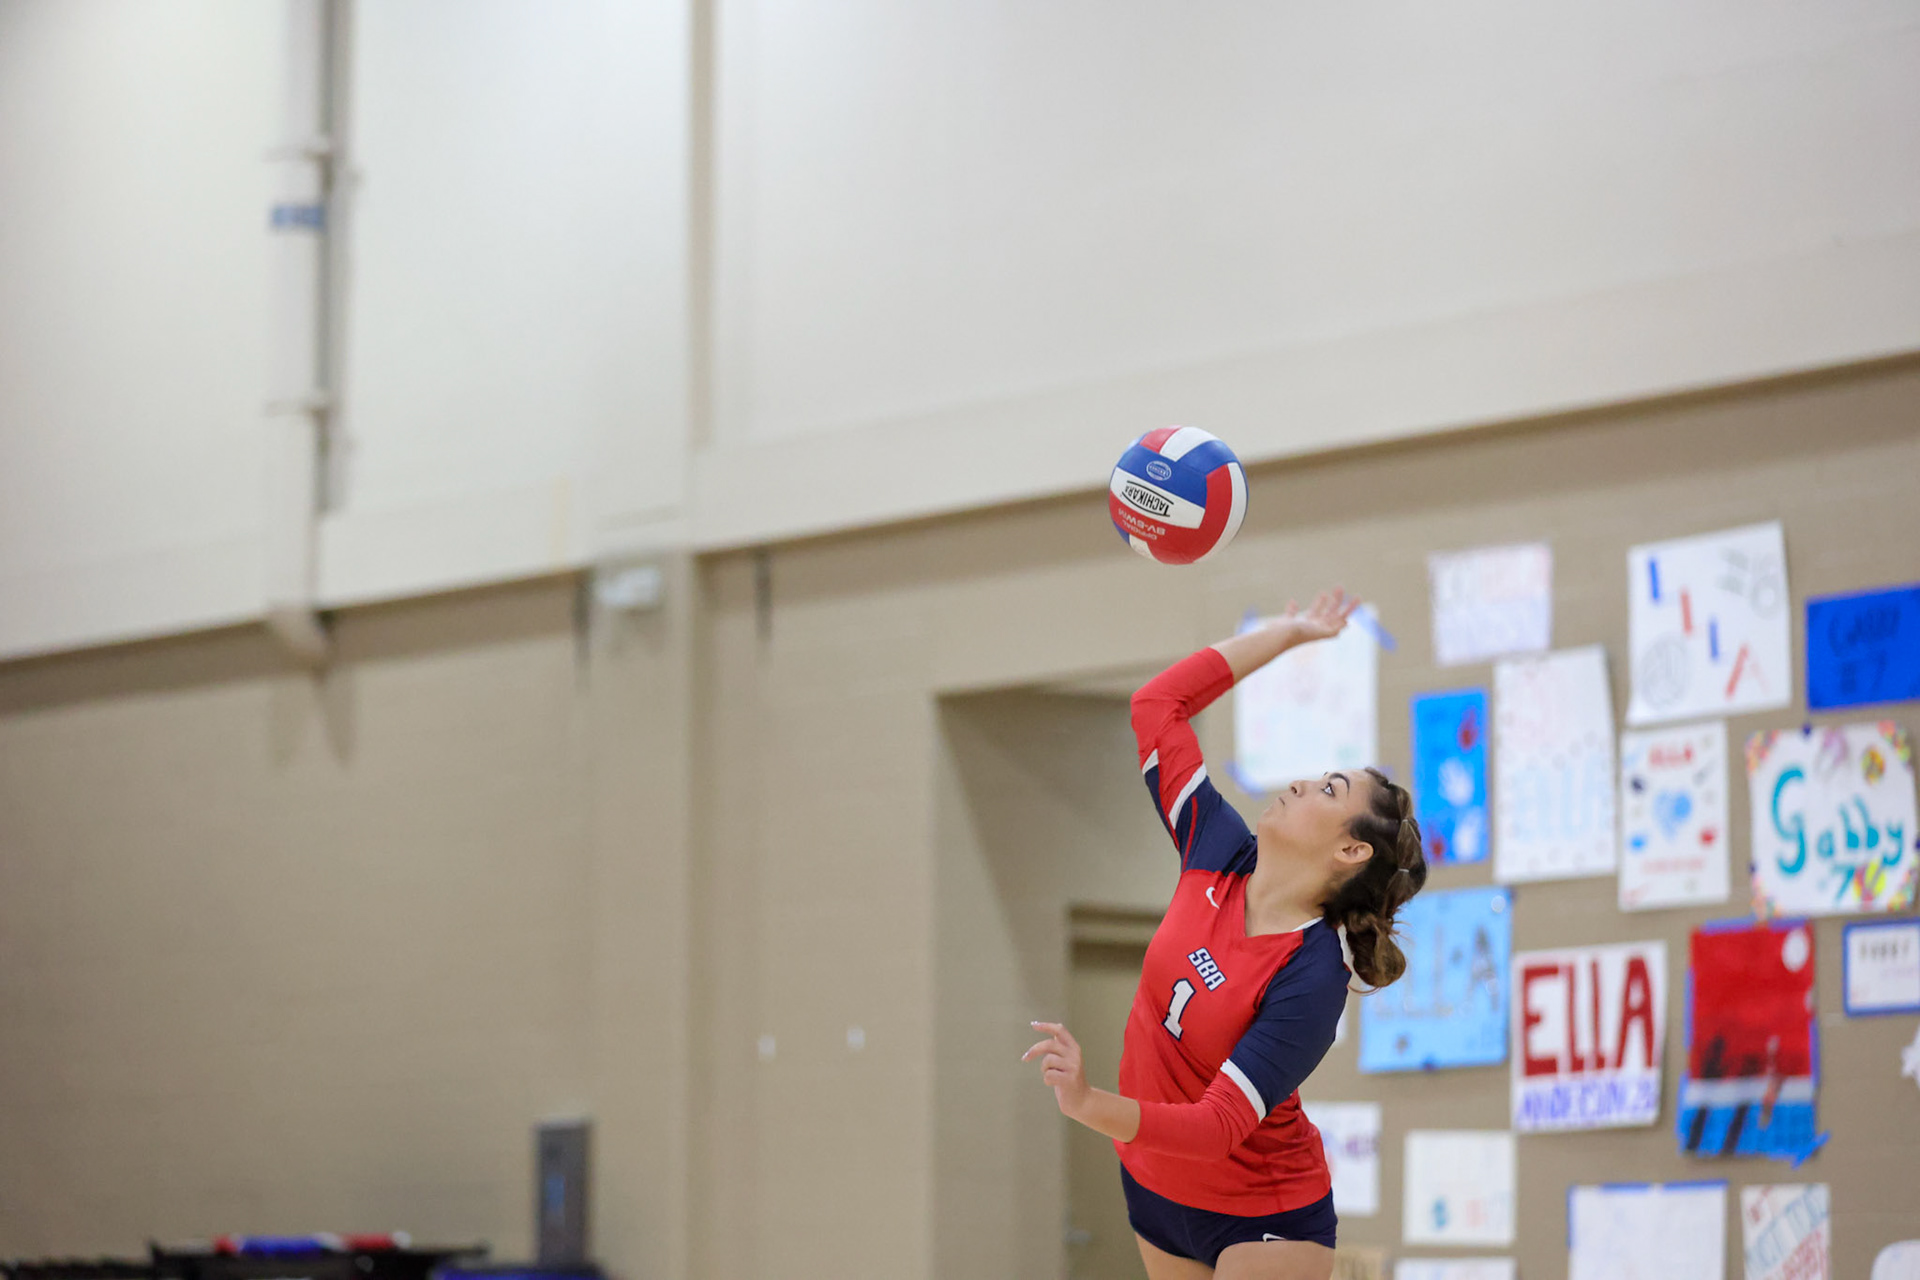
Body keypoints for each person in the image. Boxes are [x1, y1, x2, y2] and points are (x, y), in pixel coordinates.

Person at [1023, 588, 1427, 1280]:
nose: (1303, 784)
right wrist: (1288, 636)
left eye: (1329, 791)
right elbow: (1156, 705)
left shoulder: (1312, 974)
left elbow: (1217, 1129)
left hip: (1263, 1213)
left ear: (1351, 852)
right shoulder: (1216, 848)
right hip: (1154, 1187)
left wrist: (1089, 1103)